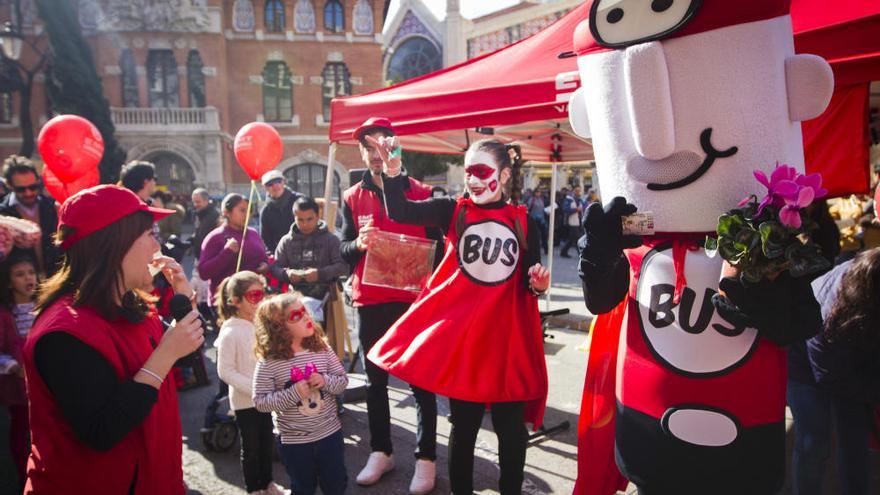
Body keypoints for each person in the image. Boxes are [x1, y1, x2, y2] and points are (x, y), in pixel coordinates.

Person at [367, 137, 550, 495]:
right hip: (467, 340)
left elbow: (530, 283)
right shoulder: (454, 210)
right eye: (469, 172)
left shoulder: (526, 222)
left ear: (505, 173)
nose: (474, 180)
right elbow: (402, 211)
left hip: (507, 341)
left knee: (511, 430)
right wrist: (392, 173)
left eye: (482, 171)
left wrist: (539, 286)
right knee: (464, 427)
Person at [20, 184, 204, 493]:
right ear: (115, 245)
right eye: (150, 236)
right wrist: (163, 355)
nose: (157, 249)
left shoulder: (130, 304)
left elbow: (182, 354)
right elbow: (101, 431)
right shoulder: (64, 332)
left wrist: (184, 300)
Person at [339, 117, 441, 493]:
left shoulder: (422, 192)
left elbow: (441, 250)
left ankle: (426, 457)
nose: (377, 153)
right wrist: (359, 246)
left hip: (414, 303)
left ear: (396, 146)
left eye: (384, 144)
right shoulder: (352, 197)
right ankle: (381, 450)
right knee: (375, 382)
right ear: (362, 153)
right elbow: (342, 249)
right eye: (369, 147)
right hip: (371, 300)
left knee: (421, 382)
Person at [787, 247, 880, 495]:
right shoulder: (832, 308)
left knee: (855, 437)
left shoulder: (869, 285)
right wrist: (872, 391)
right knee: (813, 441)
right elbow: (829, 374)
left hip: (850, 359)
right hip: (805, 362)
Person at [253, 292, 348, 495]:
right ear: (279, 327)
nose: (307, 317)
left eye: (305, 311)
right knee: (303, 487)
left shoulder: (322, 348)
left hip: (329, 434)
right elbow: (260, 402)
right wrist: (293, 393)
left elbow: (342, 382)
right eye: (296, 315)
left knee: (336, 484)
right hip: (294, 442)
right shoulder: (269, 362)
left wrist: (325, 381)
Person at [215, 271, 288, 495]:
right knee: (251, 448)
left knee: (267, 444)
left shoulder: (259, 325)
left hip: (265, 399)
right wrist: (256, 388)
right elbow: (225, 371)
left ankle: (268, 483)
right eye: (253, 296)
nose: (260, 300)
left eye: (261, 294)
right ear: (235, 301)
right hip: (245, 402)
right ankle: (254, 488)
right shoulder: (230, 332)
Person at [270, 196, 348, 323]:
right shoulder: (286, 241)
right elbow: (276, 267)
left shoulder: (331, 240)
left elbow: (343, 267)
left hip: (327, 301)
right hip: (294, 300)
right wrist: (287, 274)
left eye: (309, 219)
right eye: (300, 220)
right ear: (294, 218)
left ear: (317, 217)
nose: (305, 224)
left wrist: (320, 273)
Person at [0, 251, 37, 488]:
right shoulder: (5, 315)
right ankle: (22, 477)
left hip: (43, 383)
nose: (28, 278)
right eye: (20, 274)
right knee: (21, 430)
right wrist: (14, 367)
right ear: (9, 281)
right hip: (18, 388)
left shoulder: (43, 306)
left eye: (31, 272)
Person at [198, 193, 269, 304]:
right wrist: (226, 252)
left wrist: (265, 265)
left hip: (253, 298)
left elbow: (264, 258)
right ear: (227, 212)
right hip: (226, 301)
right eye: (242, 210)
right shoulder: (215, 237)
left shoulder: (253, 233)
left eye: (249, 210)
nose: (247, 215)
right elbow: (203, 272)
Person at [0, 156, 60, 277]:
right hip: (20, 286)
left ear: (38, 181)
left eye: (33, 187)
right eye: (21, 189)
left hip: (53, 278)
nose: (28, 193)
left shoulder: (51, 206)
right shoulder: (2, 213)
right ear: (10, 185)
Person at [259, 170, 301, 254]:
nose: (275, 186)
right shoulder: (266, 211)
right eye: (270, 184)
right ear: (265, 187)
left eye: (278, 181)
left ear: (283, 182)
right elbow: (266, 238)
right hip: (282, 253)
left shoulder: (299, 200)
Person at [191, 188, 221, 260]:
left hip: (211, 257)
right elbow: (198, 233)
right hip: (200, 256)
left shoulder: (215, 215)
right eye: (194, 202)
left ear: (206, 201)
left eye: (198, 202)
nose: (195, 205)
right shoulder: (198, 214)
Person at [560, 186, 584, 258]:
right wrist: (576, 210)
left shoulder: (579, 199)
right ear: (573, 191)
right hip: (571, 221)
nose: (578, 192)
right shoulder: (568, 199)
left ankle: (563, 251)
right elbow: (565, 210)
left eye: (579, 190)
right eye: (576, 190)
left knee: (572, 238)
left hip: (578, 221)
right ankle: (581, 254)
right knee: (577, 238)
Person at [526, 189, 549, 253]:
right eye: (537, 192)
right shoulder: (531, 200)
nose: (538, 193)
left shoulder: (542, 199)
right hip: (534, 220)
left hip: (542, 220)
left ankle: (546, 249)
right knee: (536, 235)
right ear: (534, 193)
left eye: (539, 192)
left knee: (544, 235)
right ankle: (535, 249)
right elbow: (528, 208)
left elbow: (543, 209)